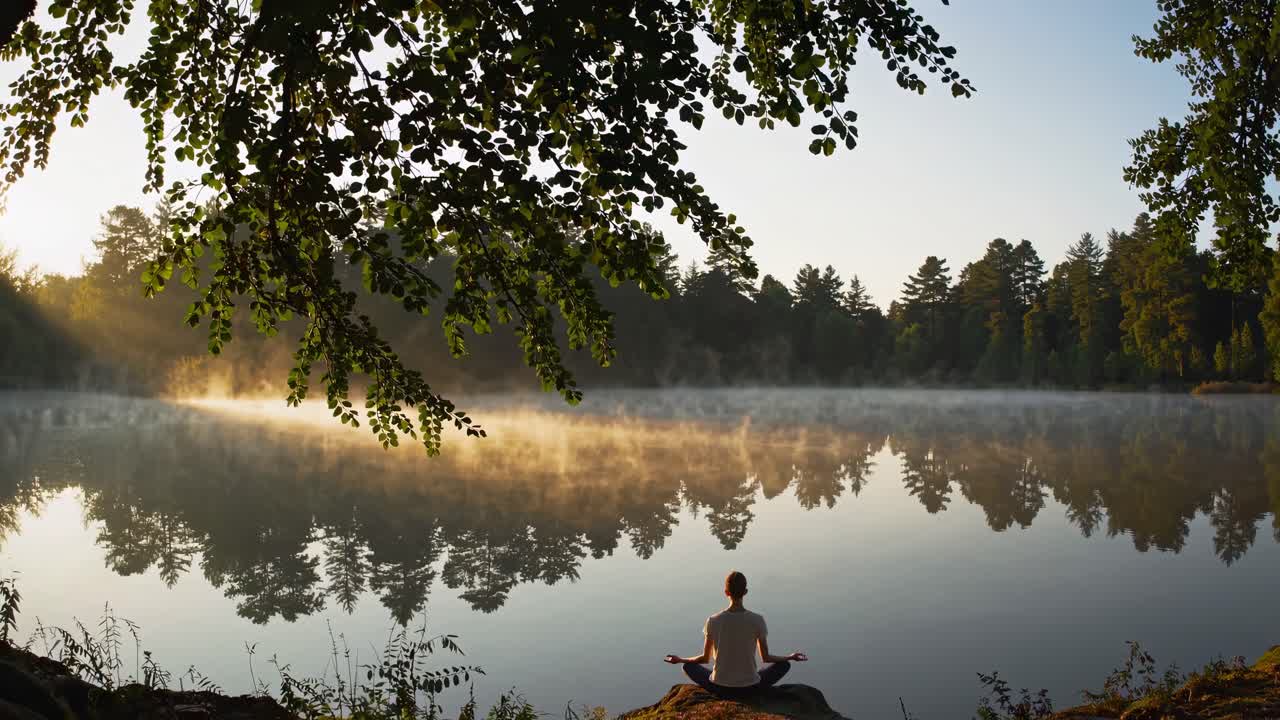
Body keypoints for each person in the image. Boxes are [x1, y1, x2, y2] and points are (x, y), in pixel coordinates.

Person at [663, 570, 808, 697]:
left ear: (726, 592)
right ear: (745, 592)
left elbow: (704, 658)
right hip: (751, 688)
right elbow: (766, 657)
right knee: (784, 665)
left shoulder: (713, 620)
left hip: (719, 688)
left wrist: (680, 659)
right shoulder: (757, 620)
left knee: (688, 666)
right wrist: (790, 657)